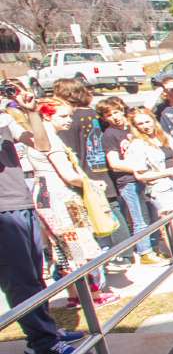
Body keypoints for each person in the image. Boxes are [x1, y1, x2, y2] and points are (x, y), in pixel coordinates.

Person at [0, 91, 91, 354]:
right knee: (20, 280)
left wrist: (31, 114)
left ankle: (43, 333)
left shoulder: (6, 120)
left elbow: (40, 144)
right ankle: (43, 344)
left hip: (21, 202)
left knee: (35, 277)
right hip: (4, 210)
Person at [31, 99, 119, 308]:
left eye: (70, 115)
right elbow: (69, 175)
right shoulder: (50, 139)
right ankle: (92, 295)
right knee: (80, 247)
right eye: (62, 116)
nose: (69, 120)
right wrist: (92, 183)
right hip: (62, 199)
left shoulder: (36, 138)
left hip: (45, 198)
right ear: (46, 116)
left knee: (64, 248)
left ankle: (75, 295)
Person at [53, 79, 132, 265]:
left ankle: (103, 256)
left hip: (85, 173)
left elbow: (69, 149)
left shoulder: (68, 120)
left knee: (94, 216)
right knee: (112, 210)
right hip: (101, 169)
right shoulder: (94, 115)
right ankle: (126, 252)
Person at [100, 97, 167, 266]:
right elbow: (114, 163)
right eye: (109, 115)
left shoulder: (132, 129)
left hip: (147, 179)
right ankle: (145, 251)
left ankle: (154, 247)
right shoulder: (110, 135)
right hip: (128, 181)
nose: (114, 117)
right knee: (139, 218)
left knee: (154, 216)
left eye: (116, 112)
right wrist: (139, 168)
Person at [125, 108, 173, 220]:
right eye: (140, 124)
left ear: (153, 120)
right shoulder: (138, 144)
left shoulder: (164, 137)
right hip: (162, 188)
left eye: (147, 122)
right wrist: (168, 172)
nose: (145, 126)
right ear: (136, 126)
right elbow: (140, 175)